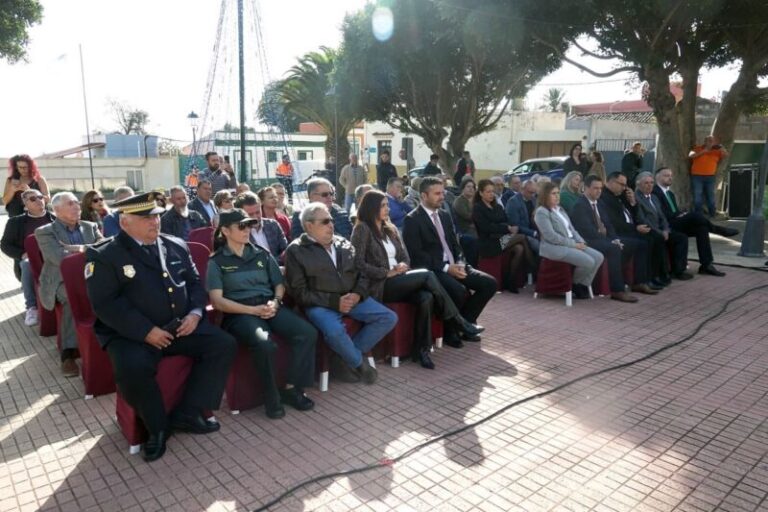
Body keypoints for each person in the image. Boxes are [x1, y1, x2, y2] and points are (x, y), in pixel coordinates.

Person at [85, 191, 236, 462]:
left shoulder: (175, 244)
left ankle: (189, 412)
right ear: (124, 223)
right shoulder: (105, 254)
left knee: (223, 344)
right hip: (131, 334)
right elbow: (106, 305)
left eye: (155, 215)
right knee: (132, 368)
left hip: (179, 326)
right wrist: (145, 331)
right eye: (144, 218)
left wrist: (195, 313)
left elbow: (193, 284)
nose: (154, 222)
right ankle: (157, 428)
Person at [351, 190, 482, 369]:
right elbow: (357, 264)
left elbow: (406, 257)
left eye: (387, 205)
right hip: (380, 284)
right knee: (428, 275)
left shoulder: (390, 229)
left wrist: (402, 266)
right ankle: (458, 320)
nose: (387, 208)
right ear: (371, 208)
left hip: (400, 279)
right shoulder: (362, 229)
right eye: (383, 205)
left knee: (426, 298)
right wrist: (386, 272)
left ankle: (421, 351)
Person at [208, 209, 316, 419]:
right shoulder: (217, 261)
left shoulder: (261, 253)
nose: (247, 230)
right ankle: (270, 395)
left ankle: (291, 388)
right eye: (241, 226)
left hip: (268, 306)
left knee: (307, 332)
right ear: (225, 231)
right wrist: (251, 310)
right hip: (240, 313)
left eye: (248, 225)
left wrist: (275, 302)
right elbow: (217, 301)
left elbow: (278, 284)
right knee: (265, 344)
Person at [284, 202, 397, 384]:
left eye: (332, 220)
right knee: (335, 331)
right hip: (320, 305)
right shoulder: (296, 251)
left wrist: (358, 294)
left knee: (388, 318)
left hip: (352, 298)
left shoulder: (343, 243)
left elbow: (362, 274)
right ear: (309, 225)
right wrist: (334, 302)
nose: (331, 224)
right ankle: (359, 365)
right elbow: (300, 293)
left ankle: (342, 357)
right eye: (325, 221)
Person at [402, 177, 497, 348]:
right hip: (434, 269)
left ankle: (463, 325)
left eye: (442, 193)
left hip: (456, 265)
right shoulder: (412, 219)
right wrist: (447, 268)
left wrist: (460, 262)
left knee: (489, 284)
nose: (442, 197)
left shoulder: (444, 216)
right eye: (437, 193)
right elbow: (417, 256)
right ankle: (450, 332)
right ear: (424, 195)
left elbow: (455, 244)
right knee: (458, 290)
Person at [35, 192, 104, 375]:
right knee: (72, 297)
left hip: (90, 277)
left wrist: (79, 248)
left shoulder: (90, 226)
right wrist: (91, 251)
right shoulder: (45, 232)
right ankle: (68, 354)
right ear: (57, 210)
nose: (76, 207)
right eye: (70, 204)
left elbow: (105, 250)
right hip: (59, 280)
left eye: (77, 203)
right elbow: (59, 258)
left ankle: (106, 338)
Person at [653, 167, 737, 277]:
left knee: (702, 229)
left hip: (677, 222)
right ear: (657, 177)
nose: (670, 178)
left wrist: (680, 214)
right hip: (667, 225)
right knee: (695, 215)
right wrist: (680, 215)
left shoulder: (670, 194)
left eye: (671, 175)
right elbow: (661, 214)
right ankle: (717, 230)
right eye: (666, 175)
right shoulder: (655, 192)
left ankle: (706, 265)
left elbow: (675, 211)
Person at [569, 176, 640, 303]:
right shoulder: (580, 205)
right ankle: (617, 290)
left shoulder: (599, 203)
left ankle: (625, 280)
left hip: (603, 238)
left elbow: (608, 224)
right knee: (613, 249)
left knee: (631, 244)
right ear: (585, 188)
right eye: (595, 188)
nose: (599, 191)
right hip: (588, 240)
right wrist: (610, 241)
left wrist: (615, 238)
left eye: (600, 188)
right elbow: (587, 230)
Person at [534, 182, 604, 300]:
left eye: (558, 193)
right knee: (588, 261)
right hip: (554, 248)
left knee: (598, 257)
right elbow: (551, 237)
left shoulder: (560, 209)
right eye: (553, 194)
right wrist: (574, 245)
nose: (557, 196)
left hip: (571, 243)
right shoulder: (541, 212)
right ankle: (575, 285)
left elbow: (572, 229)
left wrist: (582, 242)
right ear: (545, 196)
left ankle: (582, 284)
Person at [600, 172, 662, 293]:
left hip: (629, 228)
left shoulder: (621, 194)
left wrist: (633, 202)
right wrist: (635, 229)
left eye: (625, 185)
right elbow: (614, 222)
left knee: (655, 237)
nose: (624, 188)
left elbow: (632, 214)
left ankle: (651, 277)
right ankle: (639, 281)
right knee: (643, 243)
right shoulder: (604, 197)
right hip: (619, 232)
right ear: (611, 182)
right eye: (621, 184)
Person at [1, 189, 56, 326]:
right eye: (33, 199)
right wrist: (22, 254)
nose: (38, 201)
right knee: (26, 263)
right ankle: (31, 307)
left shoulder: (55, 219)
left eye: (40, 197)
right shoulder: (16, 223)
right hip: (30, 261)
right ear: (25, 205)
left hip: (53, 258)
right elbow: (5, 245)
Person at [472, 179, 534, 293]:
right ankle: (534, 267)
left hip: (500, 238)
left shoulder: (497, 206)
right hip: (489, 243)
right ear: (480, 193)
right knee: (522, 237)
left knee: (519, 249)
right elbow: (486, 228)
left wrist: (502, 227)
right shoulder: (478, 208)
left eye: (492, 191)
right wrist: (506, 228)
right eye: (488, 192)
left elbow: (505, 220)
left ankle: (510, 280)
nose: (491, 194)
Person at [634, 172, 692, 282]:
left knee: (681, 238)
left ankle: (678, 271)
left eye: (651, 183)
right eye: (646, 183)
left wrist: (666, 229)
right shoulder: (637, 198)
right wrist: (659, 232)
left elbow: (662, 217)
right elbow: (642, 219)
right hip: (650, 230)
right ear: (638, 184)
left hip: (661, 230)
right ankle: (661, 274)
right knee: (658, 239)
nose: (649, 185)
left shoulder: (654, 198)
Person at [235, 192, 287, 260]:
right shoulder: (238, 233)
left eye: (257, 212)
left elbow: (286, 250)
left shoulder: (273, 225)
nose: (255, 217)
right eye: (250, 214)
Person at [689, 136, 727, 217]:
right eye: (709, 141)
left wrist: (722, 148)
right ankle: (698, 214)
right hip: (697, 176)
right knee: (698, 194)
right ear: (705, 141)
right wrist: (703, 151)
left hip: (710, 176)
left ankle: (712, 213)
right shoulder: (697, 148)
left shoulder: (716, 151)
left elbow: (725, 155)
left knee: (710, 195)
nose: (711, 142)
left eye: (713, 141)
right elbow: (690, 156)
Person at [505, 179, 540, 254]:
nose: (532, 195)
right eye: (530, 192)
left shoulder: (533, 199)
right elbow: (515, 225)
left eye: (534, 193)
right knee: (540, 247)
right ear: (522, 190)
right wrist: (534, 233)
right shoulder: (513, 202)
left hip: (535, 231)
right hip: (523, 233)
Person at [453, 178, 479, 267]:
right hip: (465, 231)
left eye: (473, 187)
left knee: (500, 239)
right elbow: (468, 216)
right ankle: (473, 267)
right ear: (463, 188)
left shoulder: (476, 201)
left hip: (478, 228)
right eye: (468, 186)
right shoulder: (459, 201)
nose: (471, 189)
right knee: (479, 241)